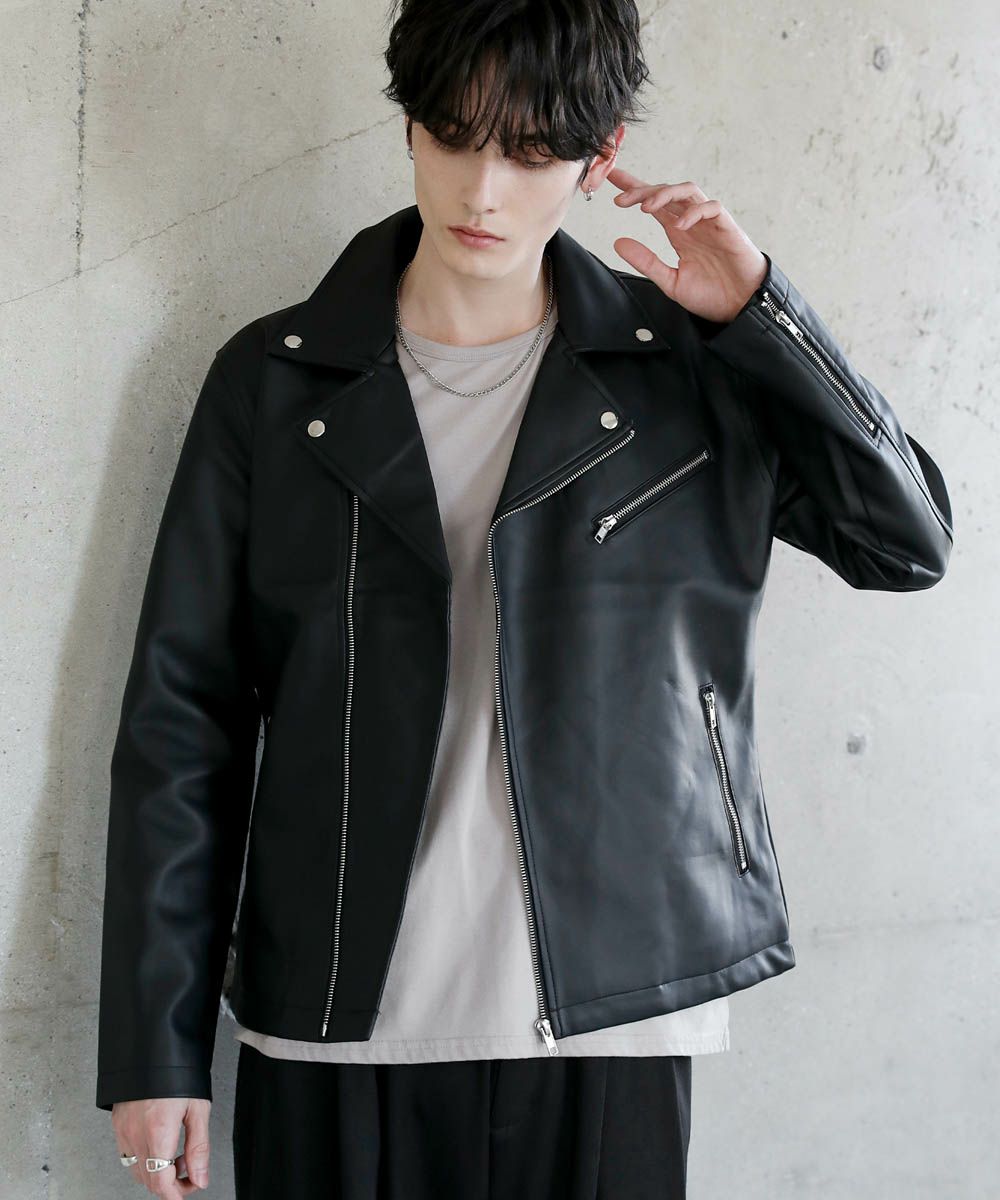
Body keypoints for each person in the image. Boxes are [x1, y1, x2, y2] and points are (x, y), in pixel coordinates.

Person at [95, 1, 955, 1197]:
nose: (483, 191)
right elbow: (183, 726)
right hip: (335, 1024)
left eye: (532, 151)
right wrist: (156, 1046)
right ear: (409, 125)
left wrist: (760, 313)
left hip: (611, 1018)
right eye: (454, 136)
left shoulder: (688, 373)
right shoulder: (274, 386)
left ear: (601, 155)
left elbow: (903, 544)